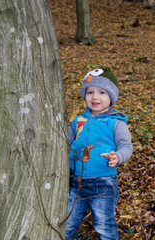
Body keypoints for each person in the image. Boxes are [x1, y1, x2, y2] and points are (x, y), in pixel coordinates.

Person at [65, 66, 133, 240]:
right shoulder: (78, 121)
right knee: (67, 223)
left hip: (103, 183)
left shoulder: (116, 123)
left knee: (104, 224)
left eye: (102, 92)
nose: (95, 97)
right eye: (90, 92)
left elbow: (126, 147)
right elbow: (64, 141)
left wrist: (117, 156)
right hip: (76, 182)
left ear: (111, 96)